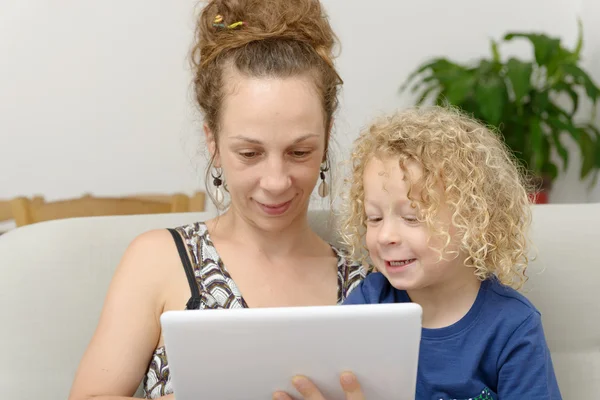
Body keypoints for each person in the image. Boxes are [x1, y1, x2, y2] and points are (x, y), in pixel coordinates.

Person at [67, 1, 367, 399]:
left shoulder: (366, 284)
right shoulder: (160, 260)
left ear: (326, 137)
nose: (276, 182)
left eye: (300, 152)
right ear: (213, 141)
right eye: (249, 153)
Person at [335, 106, 561, 399]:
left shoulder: (513, 326)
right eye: (374, 218)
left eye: (413, 217)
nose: (386, 236)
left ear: (474, 220)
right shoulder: (370, 301)